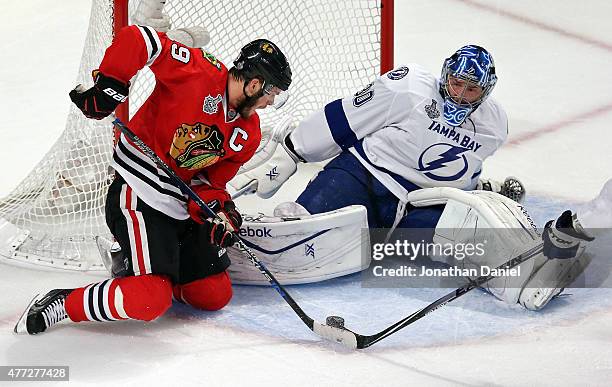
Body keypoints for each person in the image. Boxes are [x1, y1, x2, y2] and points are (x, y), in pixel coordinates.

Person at [230, 45, 594, 310]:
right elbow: (345, 118)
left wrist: (470, 195)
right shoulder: (407, 88)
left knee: (469, 244)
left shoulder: (493, 125)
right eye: (456, 83)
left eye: (472, 89)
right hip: (365, 176)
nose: (461, 94)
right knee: (310, 229)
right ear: (445, 74)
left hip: (424, 201)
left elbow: (460, 171)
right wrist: (294, 151)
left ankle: (530, 275)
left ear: (487, 89)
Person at [14, 24, 292, 335]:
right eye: (272, 94)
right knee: (149, 300)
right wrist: (109, 85)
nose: (270, 103)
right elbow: (139, 39)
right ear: (255, 84)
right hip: (139, 192)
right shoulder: (198, 71)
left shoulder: (248, 133)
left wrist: (220, 213)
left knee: (214, 295)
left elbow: (210, 184)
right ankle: (65, 302)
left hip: (180, 207)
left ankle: (149, 268)